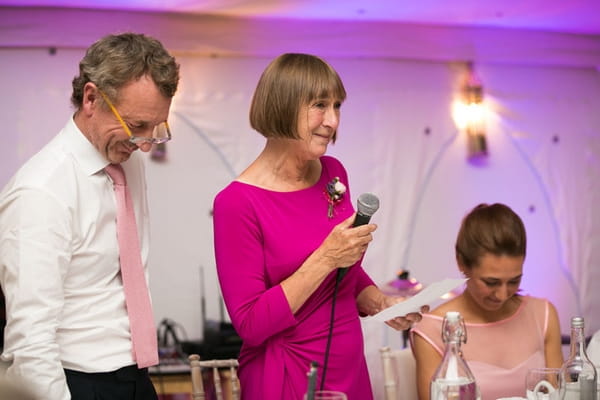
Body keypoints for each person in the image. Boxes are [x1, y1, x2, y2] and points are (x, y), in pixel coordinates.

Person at [212, 53, 427, 400]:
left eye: (337, 106)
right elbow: (250, 324)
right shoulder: (237, 203)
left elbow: (345, 275)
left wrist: (381, 304)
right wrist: (325, 257)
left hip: (348, 367)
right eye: (319, 106)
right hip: (286, 375)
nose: (332, 121)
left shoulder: (333, 173)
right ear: (282, 106)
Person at [0, 33, 180, 399]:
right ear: (91, 98)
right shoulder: (41, 190)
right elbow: (30, 341)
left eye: (154, 128)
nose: (145, 143)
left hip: (135, 375)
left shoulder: (126, 162)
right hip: (77, 382)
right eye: (136, 125)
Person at [410, 203, 564, 400]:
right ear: (462, 263)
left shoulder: (543, 315)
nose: (502, 294)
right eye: (491, 282)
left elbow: (559, 394)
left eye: (514, 281)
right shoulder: (432, 330)